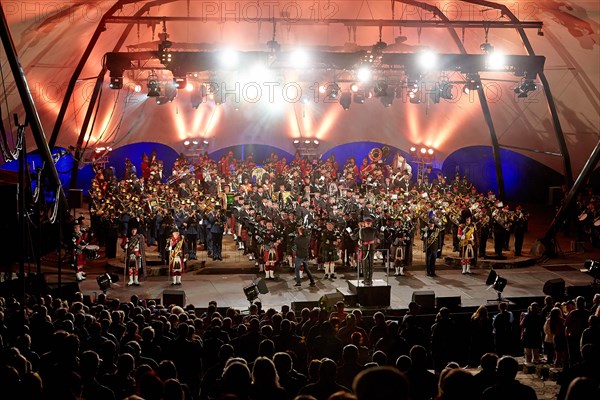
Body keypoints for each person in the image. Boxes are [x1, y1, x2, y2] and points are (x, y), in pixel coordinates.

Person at [358, 215, 378, 285]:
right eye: (367, 222)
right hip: (367, 248)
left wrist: (350, 233)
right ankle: (367, 279)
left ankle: (368, 279)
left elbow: (355, 238)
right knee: (367, 264)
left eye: (369, 222)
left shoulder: (362, 230)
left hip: (367, 247)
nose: (368, 223)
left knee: (368, 264)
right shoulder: (363, 230)